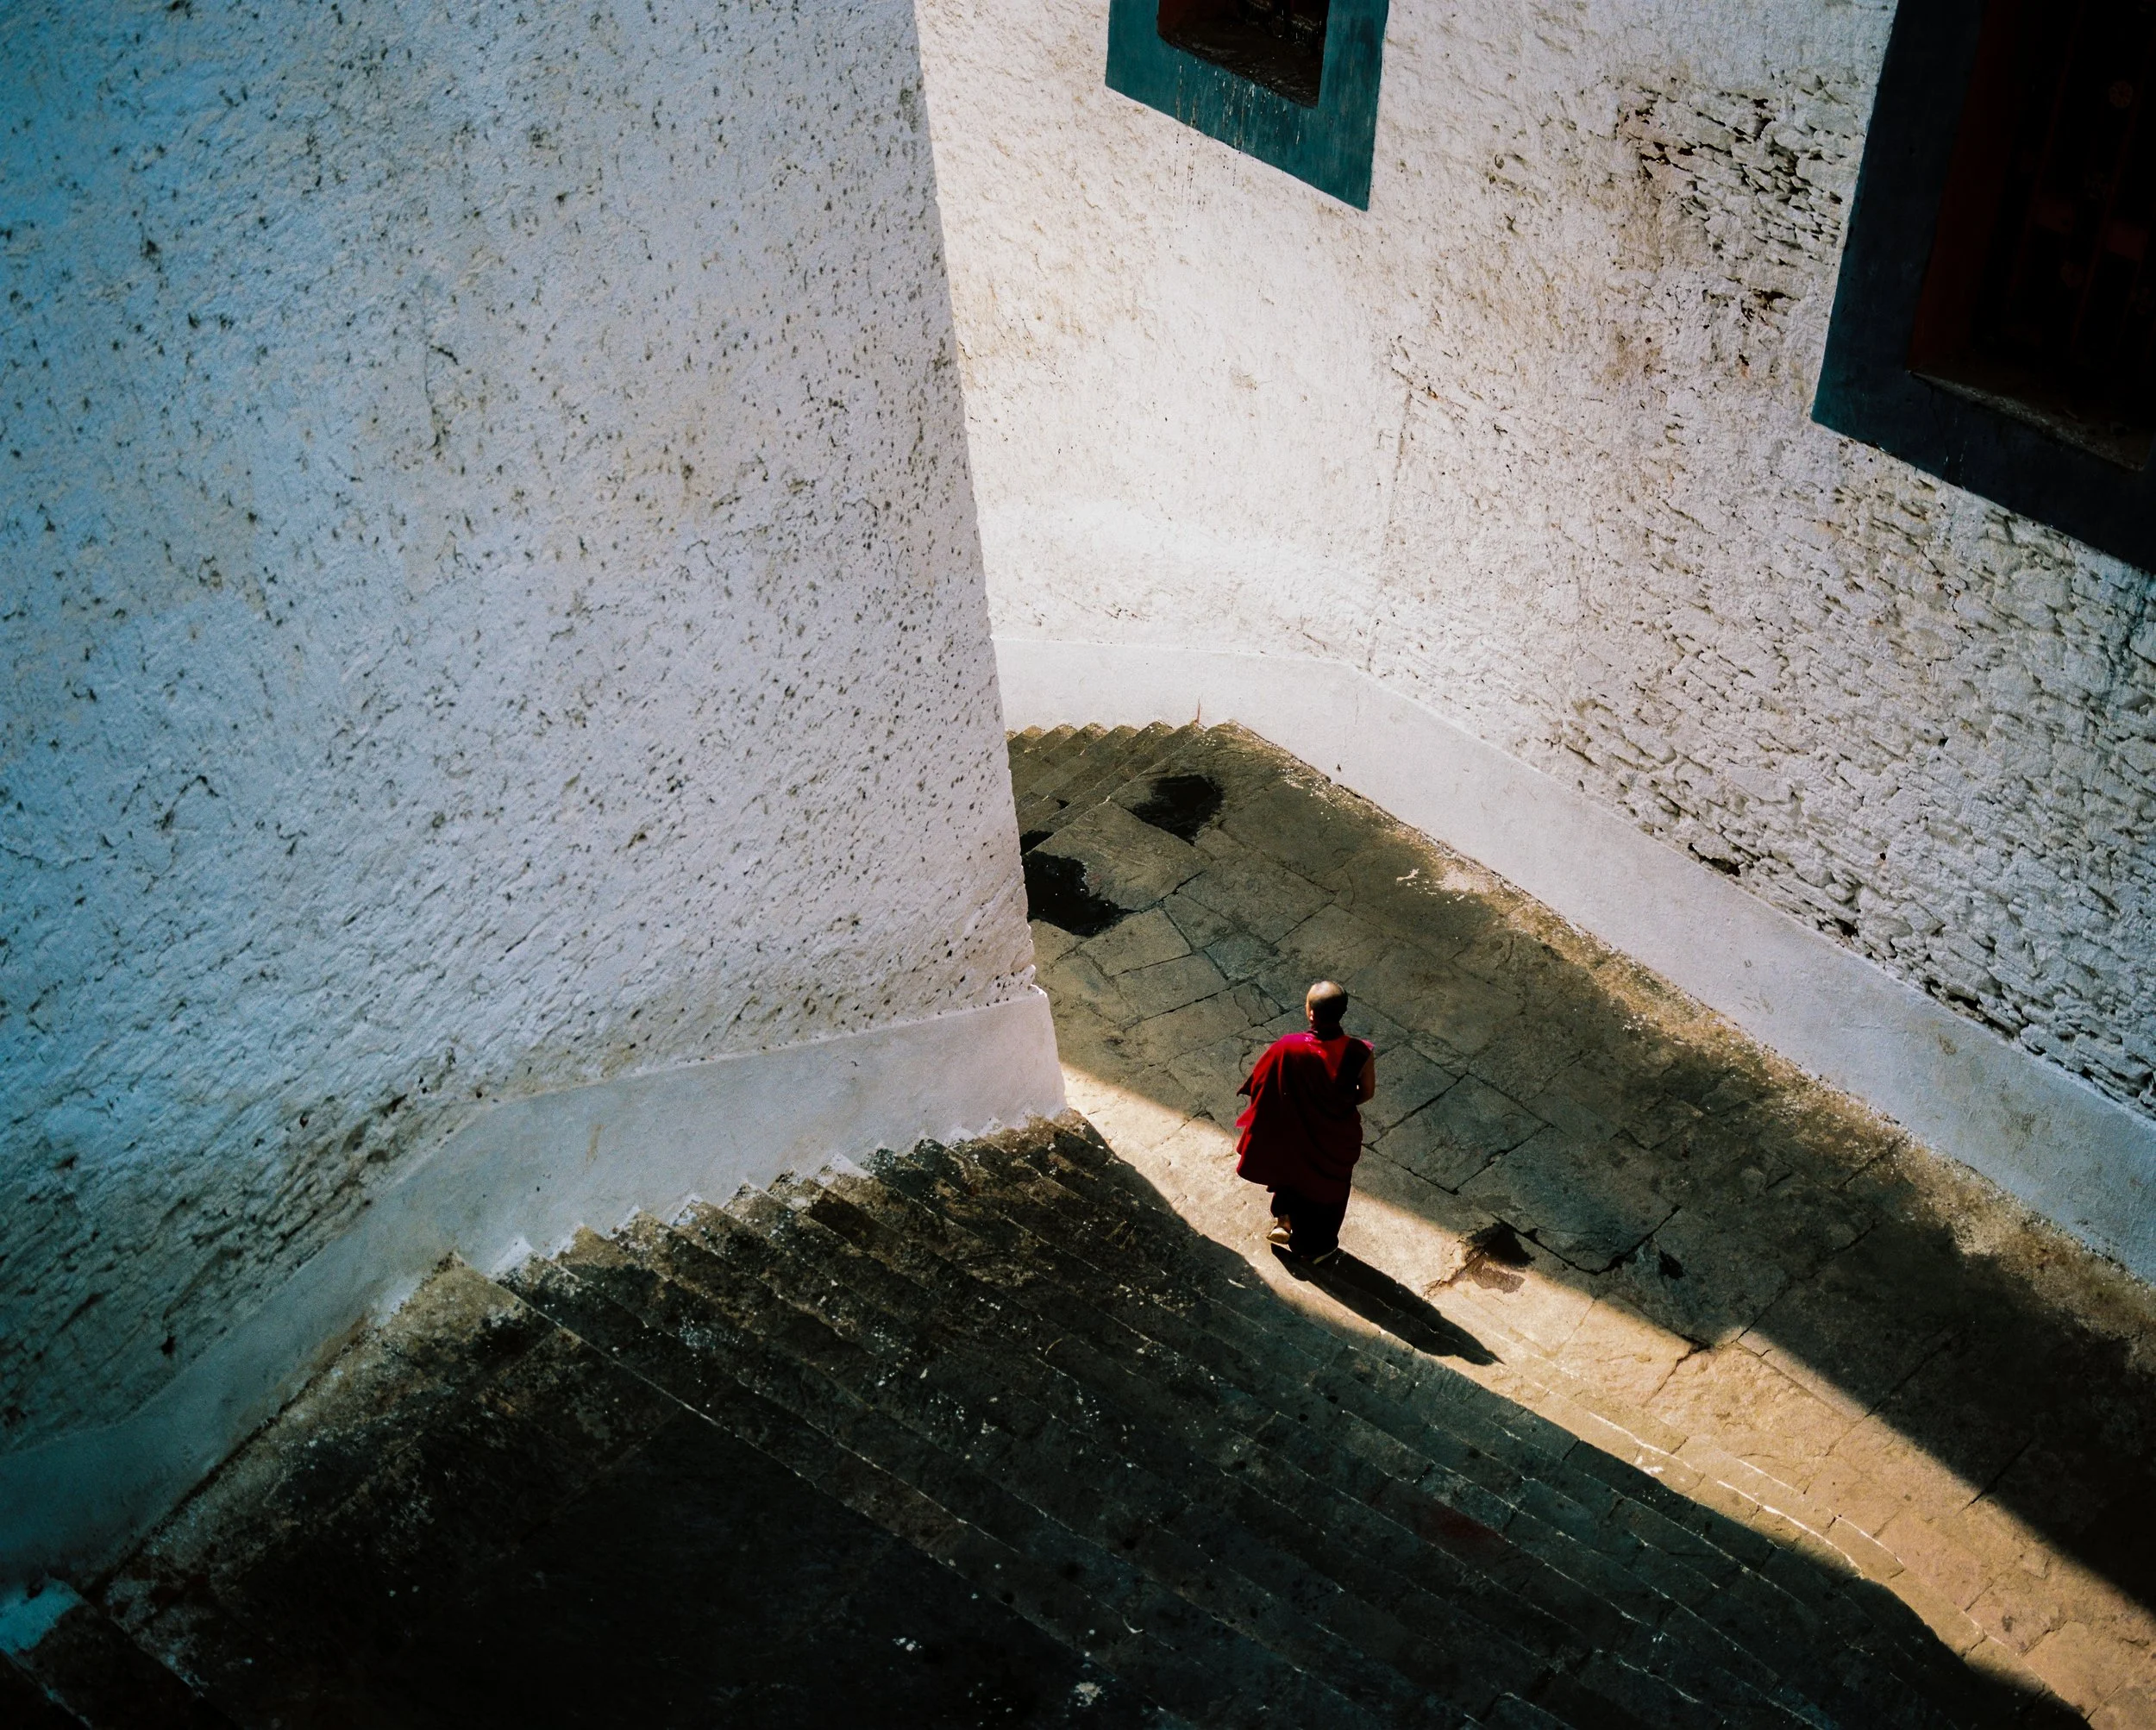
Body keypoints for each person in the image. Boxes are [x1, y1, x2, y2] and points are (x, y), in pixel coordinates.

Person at [1232, 981, 1376, 1266]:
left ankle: (1284, 1220)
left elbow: (1263, 1086)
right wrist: (1335, 1105)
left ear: (1310, 1012)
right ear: (1343, 1012)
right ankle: (1315, 1249)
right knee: (1328, 1192)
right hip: (1335, 1136)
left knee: (1289, 1167)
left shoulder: (1286, 1047)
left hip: (1294, 1130)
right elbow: (1366, 1094)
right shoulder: (1360, 1052)